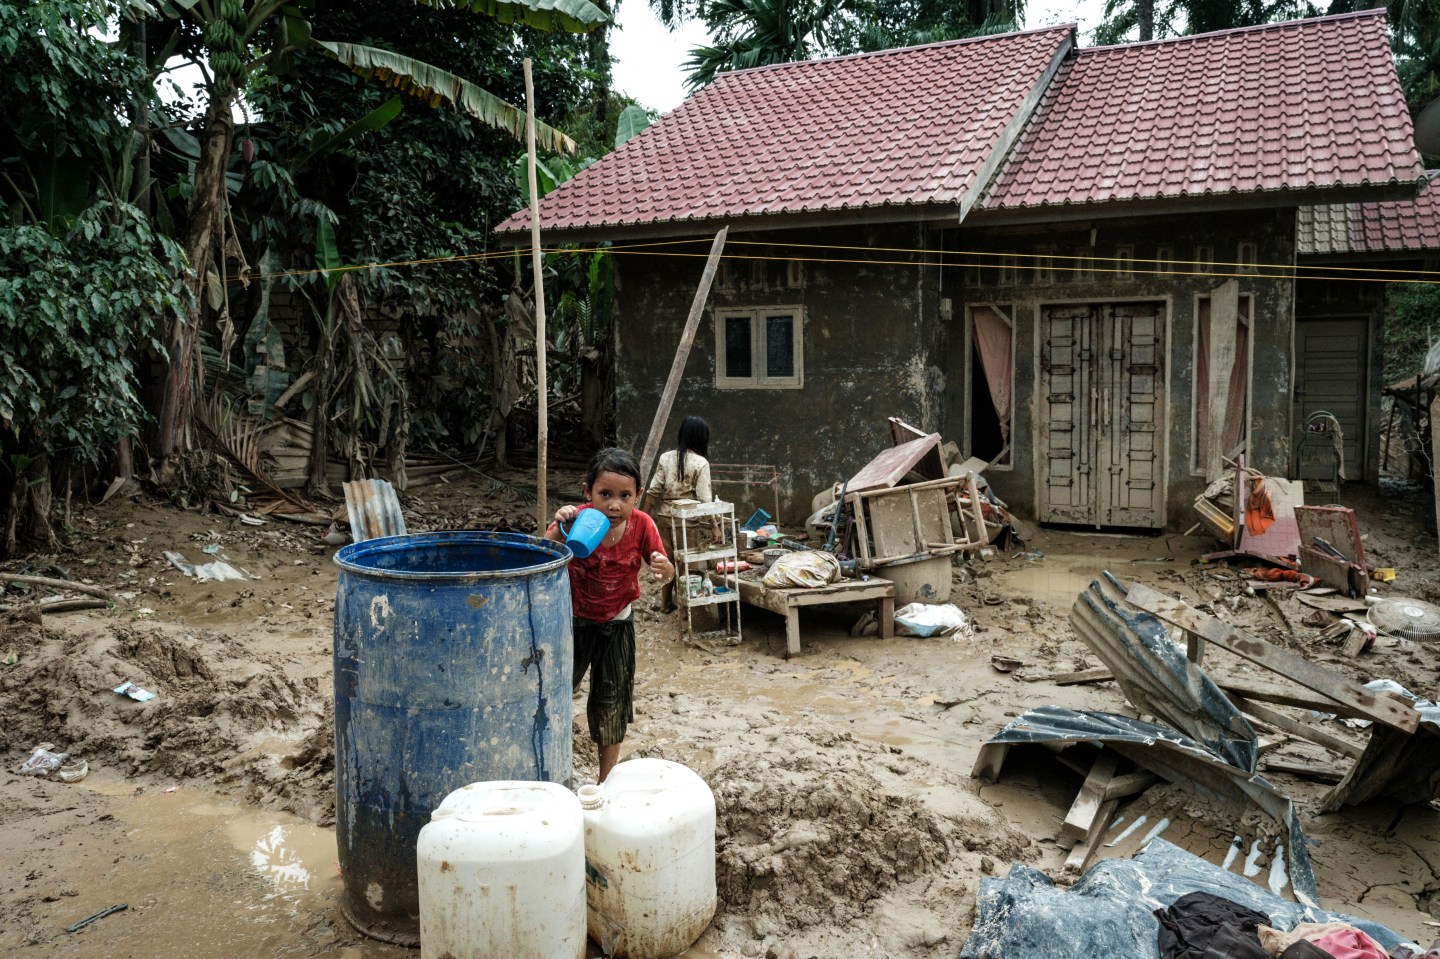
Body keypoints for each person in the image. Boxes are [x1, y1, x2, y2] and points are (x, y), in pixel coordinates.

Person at [545, 447, 674, 783]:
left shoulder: (642, 525)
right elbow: (544, 553)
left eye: (624, 496)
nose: (614, 505)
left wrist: (665, 569)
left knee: (612, 701)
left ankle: (606, 781)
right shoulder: (578, 520)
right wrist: (560, 527)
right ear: (587, 492)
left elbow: (662, 564)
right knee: (556, 693)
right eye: (605, 494)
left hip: (617, 621)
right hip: (572, 622)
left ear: (638, 496)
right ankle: (551, 772)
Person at [646, 416, 723, 613]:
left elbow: (653, 490)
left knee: (667, 560)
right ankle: (687, 608)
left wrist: (643, 517)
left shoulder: (666, 457)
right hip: (687, 521)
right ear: (700, 438)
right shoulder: (701, 463)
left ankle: (666, 603)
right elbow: (705, 500)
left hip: (664, 517)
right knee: (689, 563)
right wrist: (715, 526)